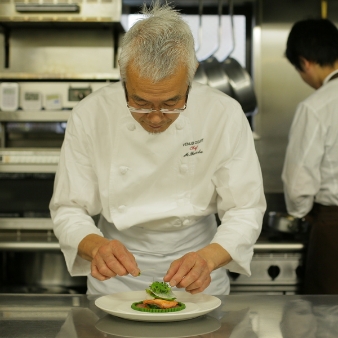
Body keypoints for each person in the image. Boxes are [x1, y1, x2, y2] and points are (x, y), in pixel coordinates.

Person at [49, 1, 265, 295]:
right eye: (139, 102)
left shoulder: (223, 114)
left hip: (199, 277)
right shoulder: (90, 114)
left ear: (193, 73)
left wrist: (209, 258)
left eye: (171, 103)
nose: (154, 117)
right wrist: (96, 247)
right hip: (116, 281)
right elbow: (69, 207)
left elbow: (245, 207)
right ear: (123, 73)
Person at [282, 18, 338, 294]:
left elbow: (298, 182)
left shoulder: (316, 106)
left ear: (305, 63)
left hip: (333, 227)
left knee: (326, 320)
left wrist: (300, 213)